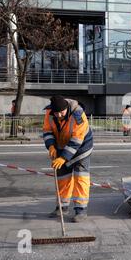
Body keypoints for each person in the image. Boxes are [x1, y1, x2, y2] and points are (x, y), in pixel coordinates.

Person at [42, 95, 94, 223]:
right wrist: (51, 146)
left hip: (82, 149)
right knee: (62, 179)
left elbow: (77, 140)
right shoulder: (49, 113)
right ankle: (62, 207)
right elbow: (47, 131)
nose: (59, 115)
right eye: (56, 112)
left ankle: (80, 211)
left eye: (62, 112)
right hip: (61, 147)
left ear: (66, 108)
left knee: (80, 178)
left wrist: (63, 158)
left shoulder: (78, 114)